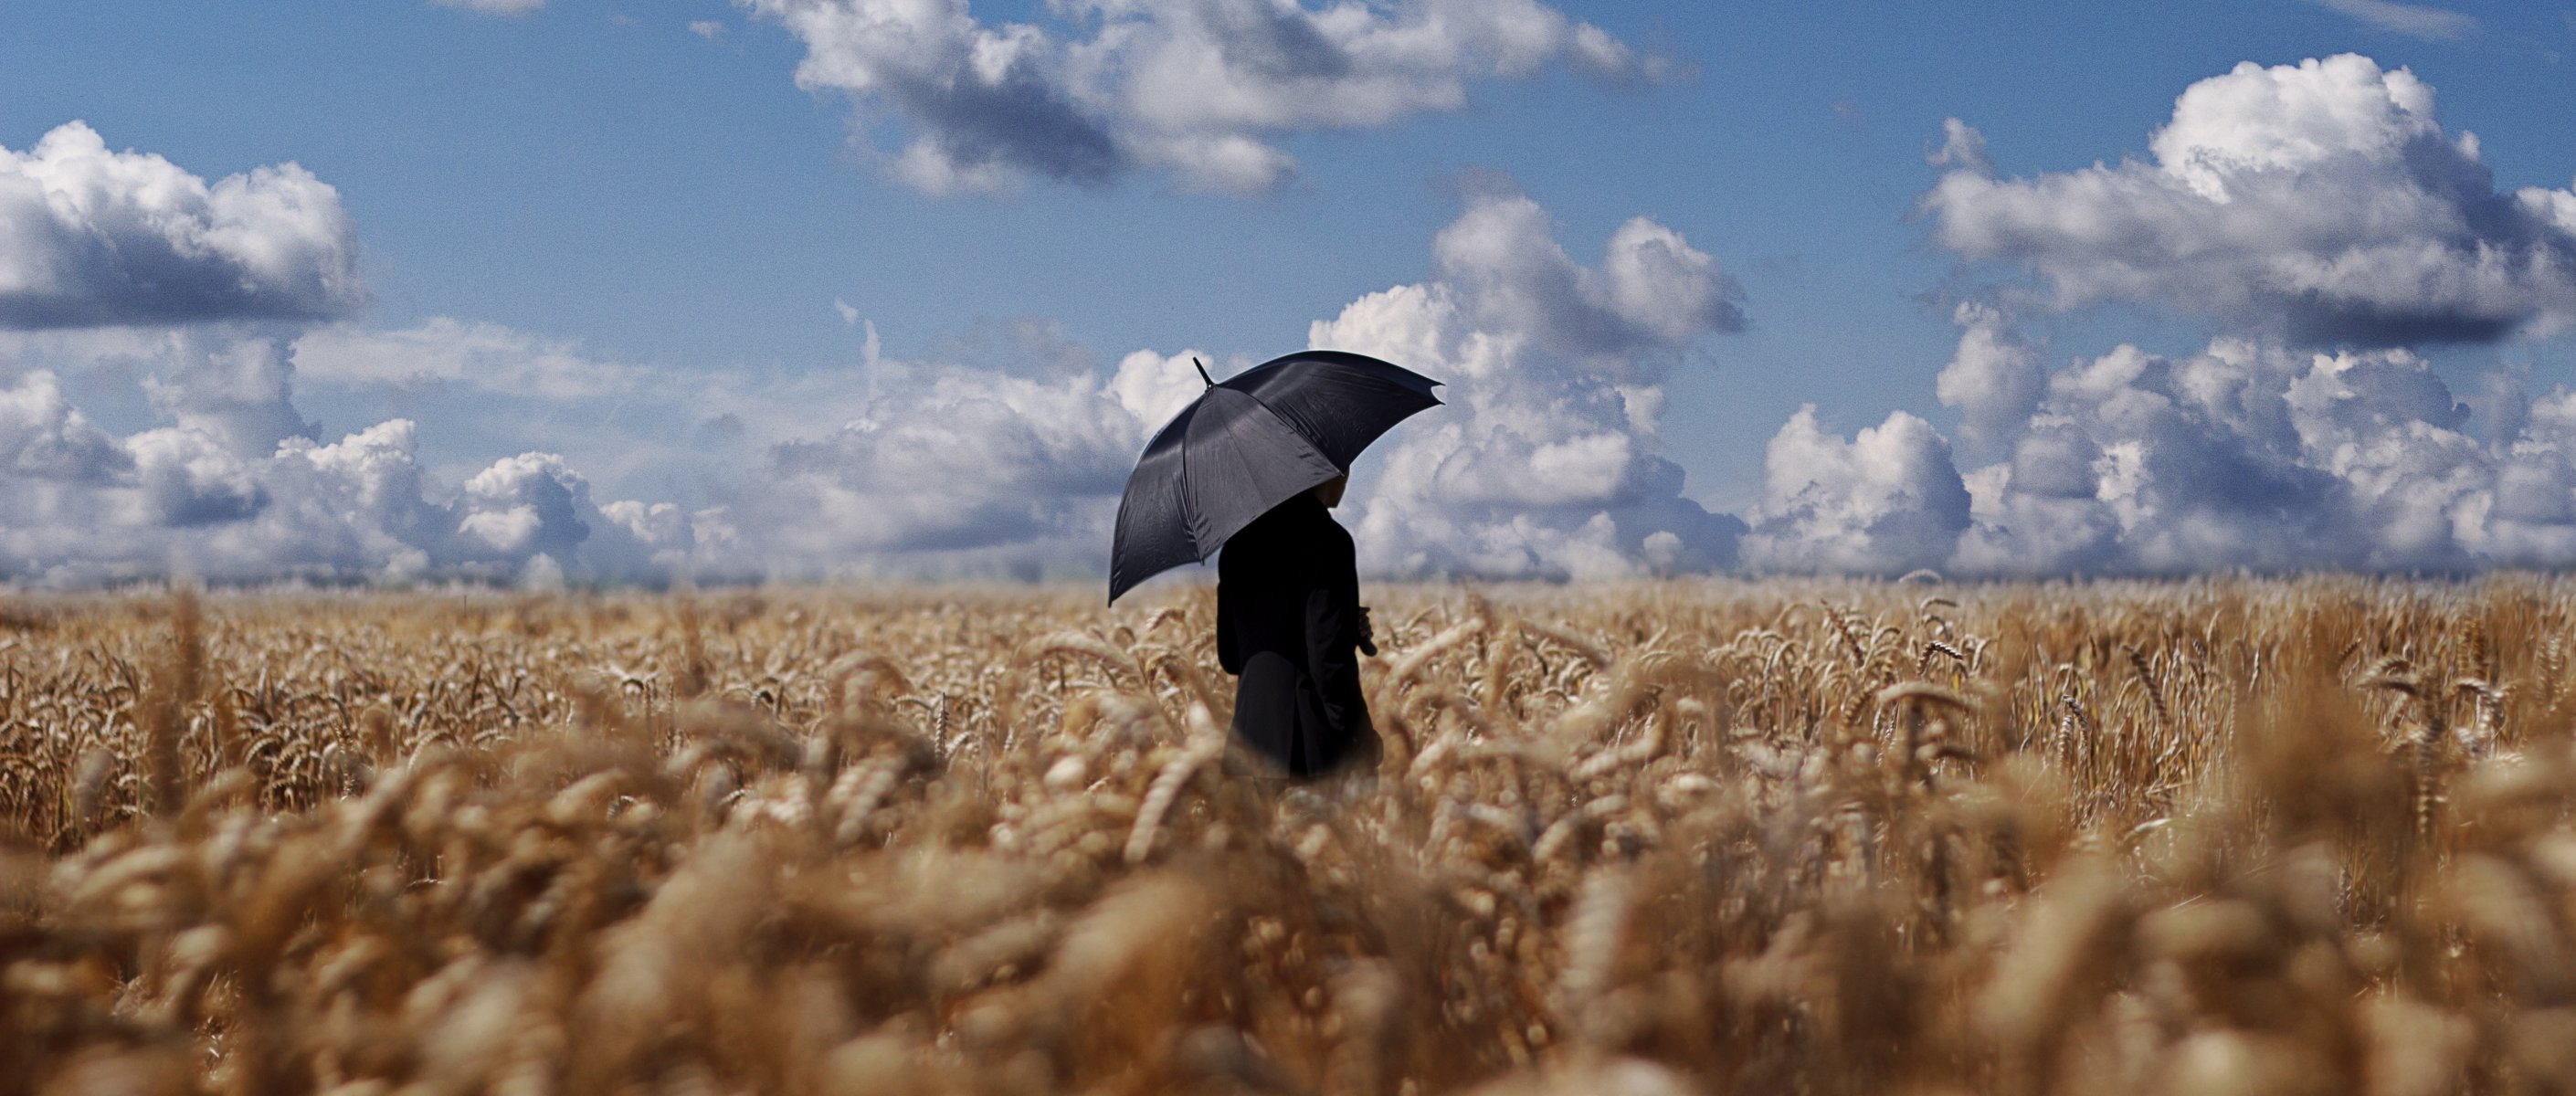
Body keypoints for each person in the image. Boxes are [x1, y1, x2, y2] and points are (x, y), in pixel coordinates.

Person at [1216, 474, 1380, 778]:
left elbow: (1231, 657)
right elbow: (1328, 662)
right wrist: (1357, 738)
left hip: (1247, 748)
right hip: (1309, 750)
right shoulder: (1330, 541)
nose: (1346, 476)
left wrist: (1343, 622)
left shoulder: (1235, 545)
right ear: (1324, 473)